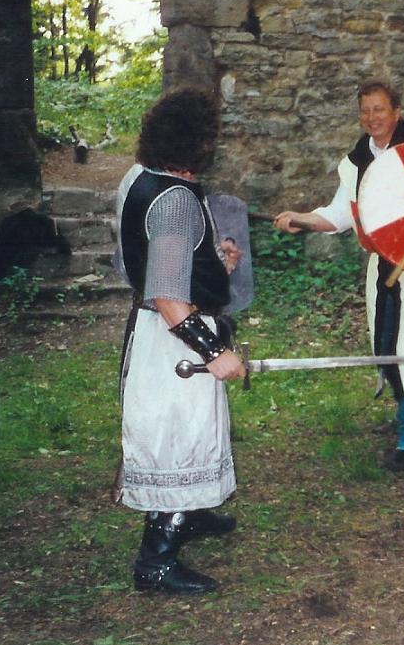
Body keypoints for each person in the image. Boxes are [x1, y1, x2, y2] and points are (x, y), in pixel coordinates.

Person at [273, 80, 404, 472]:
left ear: (396, 111)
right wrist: (303, 220)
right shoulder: (356, 162)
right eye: (365, 110)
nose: (371, 118)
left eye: (379, 109)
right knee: (388, 346)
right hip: (382, 267)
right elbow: (341, 213)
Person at [113, 88, 247, 595]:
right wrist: (214, 353)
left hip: (160, 334)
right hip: (175, 343)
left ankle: (185, 514)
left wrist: (213, 258)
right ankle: (156, 562)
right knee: (178, 437)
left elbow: (142, 259)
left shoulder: (141, 180)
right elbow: (169, 296)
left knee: (191, 433)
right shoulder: (175, 201)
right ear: (197, 142)